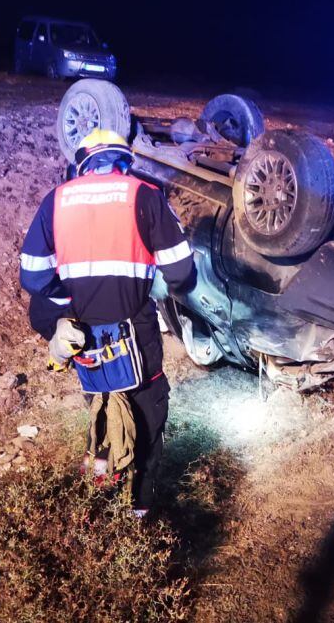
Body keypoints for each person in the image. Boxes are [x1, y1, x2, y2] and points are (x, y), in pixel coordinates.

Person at [19, 128, 195, 517]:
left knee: (101, 413)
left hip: (85, 339)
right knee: (147, 424)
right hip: (137, 335)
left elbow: (32, 277)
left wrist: (70, 300)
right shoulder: (144, 195)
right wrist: (158, 285)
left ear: (81, 163)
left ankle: (101, 505)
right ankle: (139, 515)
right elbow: (182, 273)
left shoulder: (56, 200)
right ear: (123, 160)